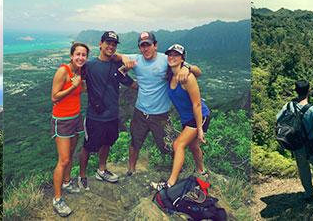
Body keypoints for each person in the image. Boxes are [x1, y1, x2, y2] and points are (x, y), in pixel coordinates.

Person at [123, 32, 201, 177]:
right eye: (142, 46)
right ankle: (131, 170)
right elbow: (115, 56)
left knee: (171, 146)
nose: (146, 49)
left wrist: (187, 67)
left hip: (161, 115)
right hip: (140, 112)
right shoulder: (136, 60)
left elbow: (198, 71)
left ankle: (179, 171)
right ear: (139, 48)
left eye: (149, 45)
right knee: (135, 142)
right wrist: (123, 58)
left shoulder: (167, 59)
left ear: (155, 45)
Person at [77, 31, 135, 189]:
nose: (111, 46)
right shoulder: (89, 65)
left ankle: (101, 170)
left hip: (112, 115)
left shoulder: (117, 66)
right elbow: (74, 79)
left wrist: (155, 83)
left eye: (114, 44)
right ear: (100, 44)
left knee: (107, 143)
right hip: (94, 116)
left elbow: (131, 84)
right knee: (88, 146)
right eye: (108, 43)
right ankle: (82, 176)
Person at [277, 79, 313, 209]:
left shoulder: (288, 106)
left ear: (296, 91)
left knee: (303, 169)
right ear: (309, 90)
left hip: (297, 146)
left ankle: (308, 193)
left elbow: (278, 121)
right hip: (311, 146)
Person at [162, 44, 210, 187]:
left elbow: (197, 104)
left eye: (176, 55)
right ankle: (201, 171)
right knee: (193, 147)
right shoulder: (170, 76)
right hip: (187, 119)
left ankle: (171, 183)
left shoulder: (188, 77)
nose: (172, 57)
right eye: (170, 54)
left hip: (199, 117)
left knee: (178, 144)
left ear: (182, 58)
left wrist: (200, 129)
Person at [50, 42, 89, 217]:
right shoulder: (63, 71)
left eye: (84, 55)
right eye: (78, 54)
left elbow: (83, 89)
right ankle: (57, 198)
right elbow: (54, 97)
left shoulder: (79, 71)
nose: (81, 58)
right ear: (71, 56)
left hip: (76, 117)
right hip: (62, 120)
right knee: (63, 160)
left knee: (72, 153)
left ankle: (67, 182)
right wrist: (73, 86)